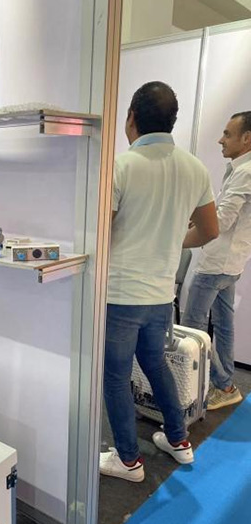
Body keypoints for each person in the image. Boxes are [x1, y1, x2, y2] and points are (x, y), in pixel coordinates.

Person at [100, 81, 219, 483]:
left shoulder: (120, 166)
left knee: (115, 377)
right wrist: (170, 240)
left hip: (120, 294)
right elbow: (209, 230)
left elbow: (102, 233)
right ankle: (179, 440)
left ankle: (128, 461)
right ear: (173, 120)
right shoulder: (195, 167)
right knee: (154, 363)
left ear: (131, 117)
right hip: (160, 294)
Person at [181, 111, 251, 411]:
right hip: (230, 263)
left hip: (216, 264)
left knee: (191, 328)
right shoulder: (239, 169)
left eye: (227, 134)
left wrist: (178, 239)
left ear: (246, 138)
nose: (221, 140)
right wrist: (195, 220)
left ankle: (217, 384)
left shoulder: (245, 172)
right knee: (223, 325)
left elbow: (220, 222)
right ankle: (226, 384)